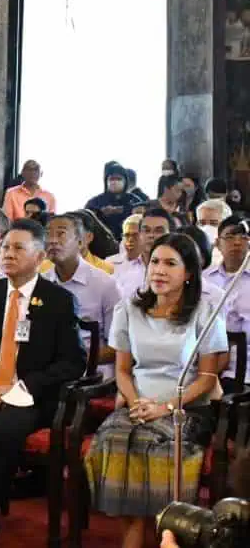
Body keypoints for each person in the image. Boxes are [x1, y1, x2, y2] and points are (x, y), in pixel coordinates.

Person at [84, 234, 228, 548]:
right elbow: (122, 370)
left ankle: (170, 531)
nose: (159, 271)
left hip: (187, 407)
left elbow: (206, 378)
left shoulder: (205, 310)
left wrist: (164, 408)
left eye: (170, 264)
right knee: (114, 437)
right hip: (138, 403)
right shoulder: (129, 308)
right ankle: (133, 533)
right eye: (155, 262)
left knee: (154, 440)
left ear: (189, 272)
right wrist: (136, 403)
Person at [0, 219, 86, 548]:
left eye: (19, 248)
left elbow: (73, 363)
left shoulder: (58, 300)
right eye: (5, 247)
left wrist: (22, 386)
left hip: (31, 395)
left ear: (40, 256)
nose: (8, 254)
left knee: (5, 429)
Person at [43, 213, 122, 377]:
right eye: (48, 233)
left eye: (61, 233)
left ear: (80, 242)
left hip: (91, 376)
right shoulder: (41, 283)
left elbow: (118, 347)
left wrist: (72, 360)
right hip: (47, 373)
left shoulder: (105, 284)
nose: (52, 240)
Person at [204, 215, 250, 392]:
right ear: (217, 243)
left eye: (244, 237)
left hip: (243, 367)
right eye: (230, 237)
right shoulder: (205, 279)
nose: (237, 242)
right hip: (207, 361)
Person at [114, 207, 172, 302]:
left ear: (171, 234)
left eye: (159, 231)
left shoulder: (179, 272)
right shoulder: (121, 269)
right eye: (146, 230)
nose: (151, 235)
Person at [86, 162, 140, 240]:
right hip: (102, 244)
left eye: (118, 179)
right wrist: (100, 213)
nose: (114, 182)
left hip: (130, 241)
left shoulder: (134, 200)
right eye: (111, 179)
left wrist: (122, 210)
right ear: (106, 181)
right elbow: (86, 220)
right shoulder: (95, 202)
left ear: (125, 181)